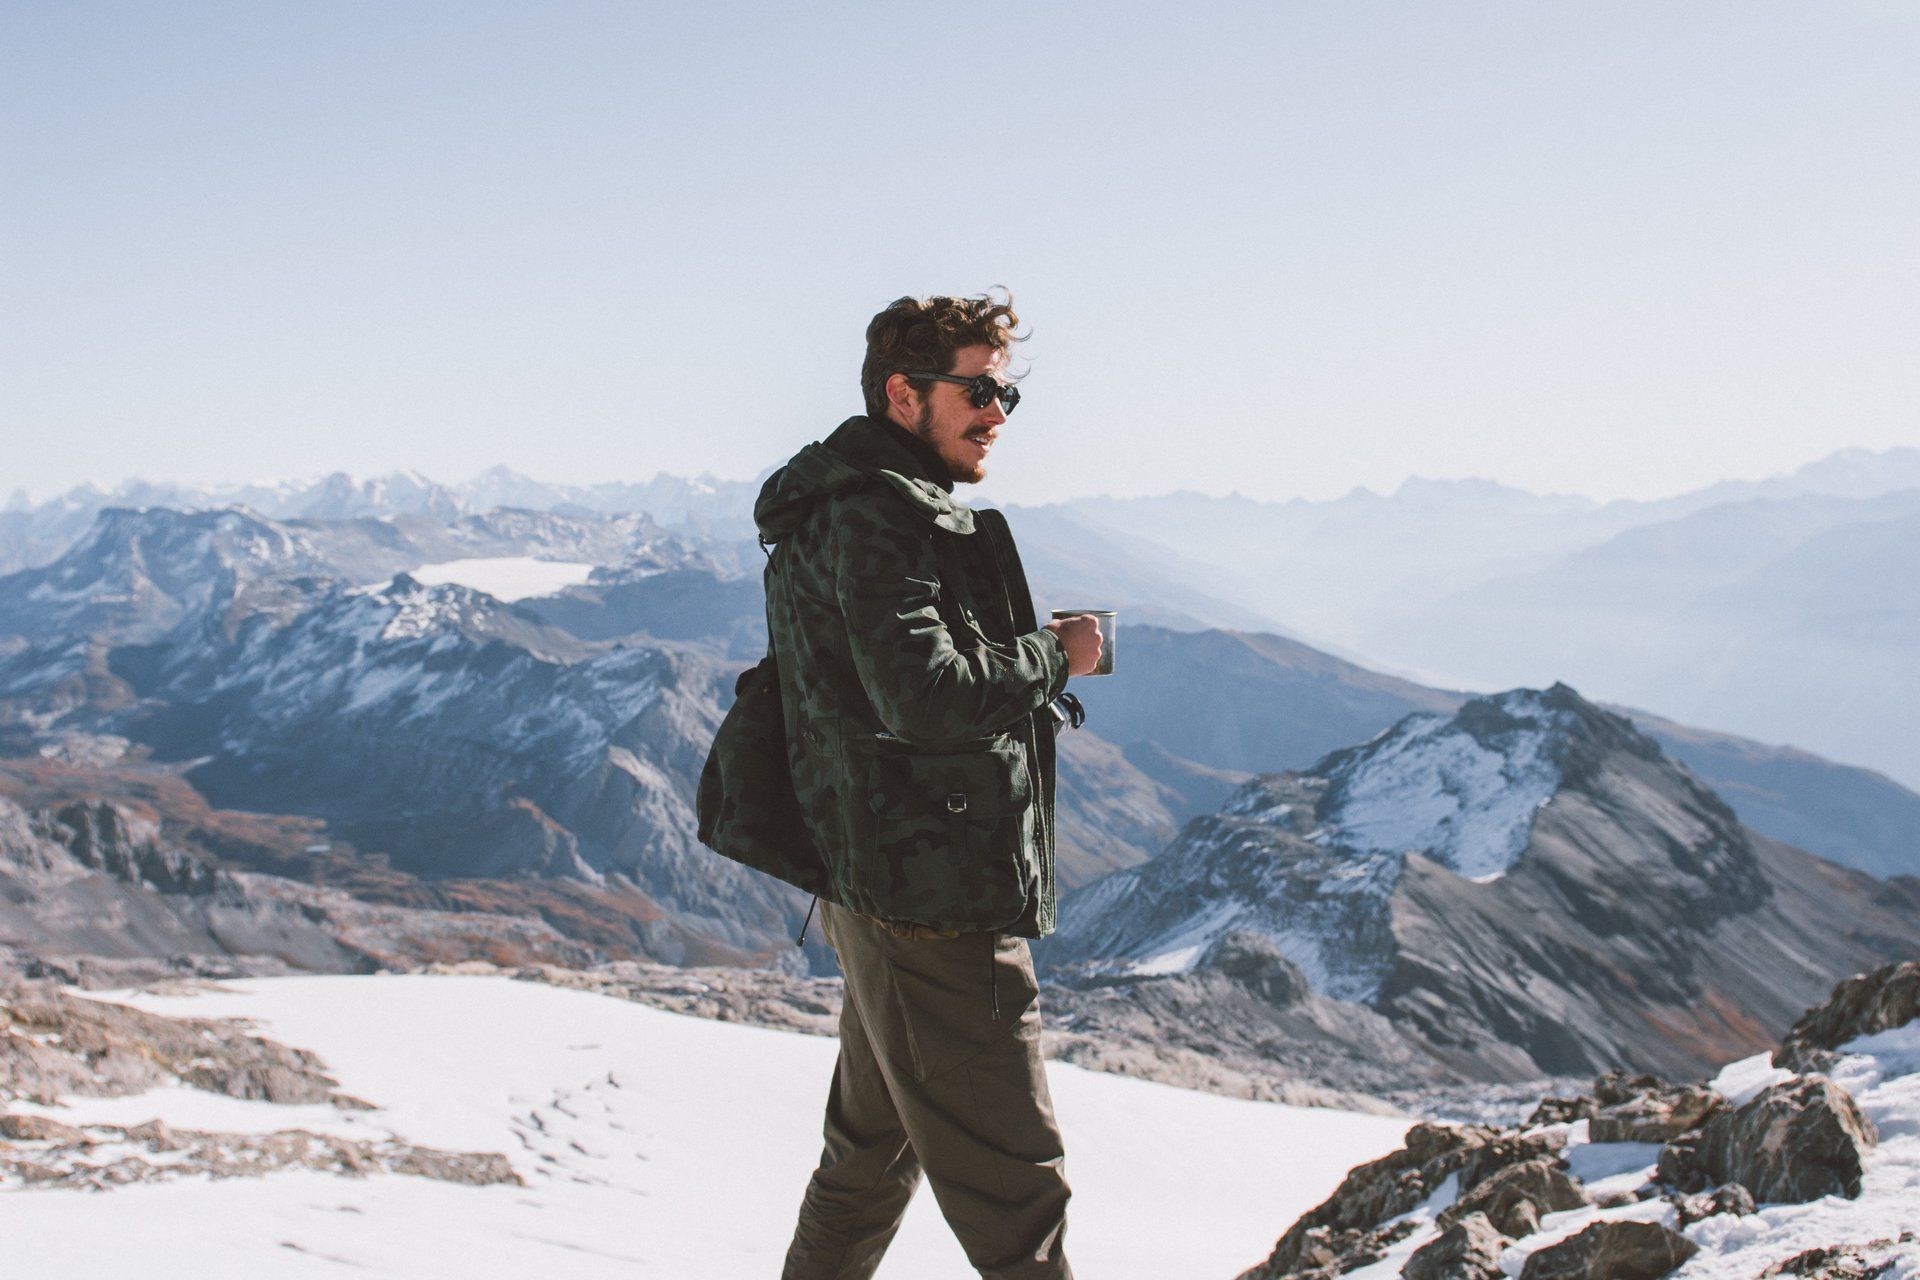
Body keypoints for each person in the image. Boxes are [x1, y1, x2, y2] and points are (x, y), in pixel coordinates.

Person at [751, 290, 1102, 1280]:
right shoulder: (880, 514)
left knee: (868, 1159)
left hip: (878, 881)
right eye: (980, 388)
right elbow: (927, 696)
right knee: (1017, 1193)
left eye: (1007, 391)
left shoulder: (856, 502)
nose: (999, 410)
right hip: (931, 897)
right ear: (905, 394)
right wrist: (1053, 656)